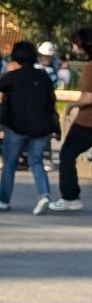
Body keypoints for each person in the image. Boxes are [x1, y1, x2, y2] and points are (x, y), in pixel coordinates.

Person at [0, 38, 61, 213]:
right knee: (36, 161)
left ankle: (3, 200)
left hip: (15, 124)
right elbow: (51, 102)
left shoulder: (12, 77)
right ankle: (44, 195)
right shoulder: (44, 77)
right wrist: (56, 125)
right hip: (41, 126)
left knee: (9, 163)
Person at [56, 23, 92, 212]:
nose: (74, 48)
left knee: (67, 155)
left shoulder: (89, 68)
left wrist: (71, 105)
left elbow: (88, 97)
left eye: (75, 44)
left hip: (87, 121)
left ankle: (70, 196)